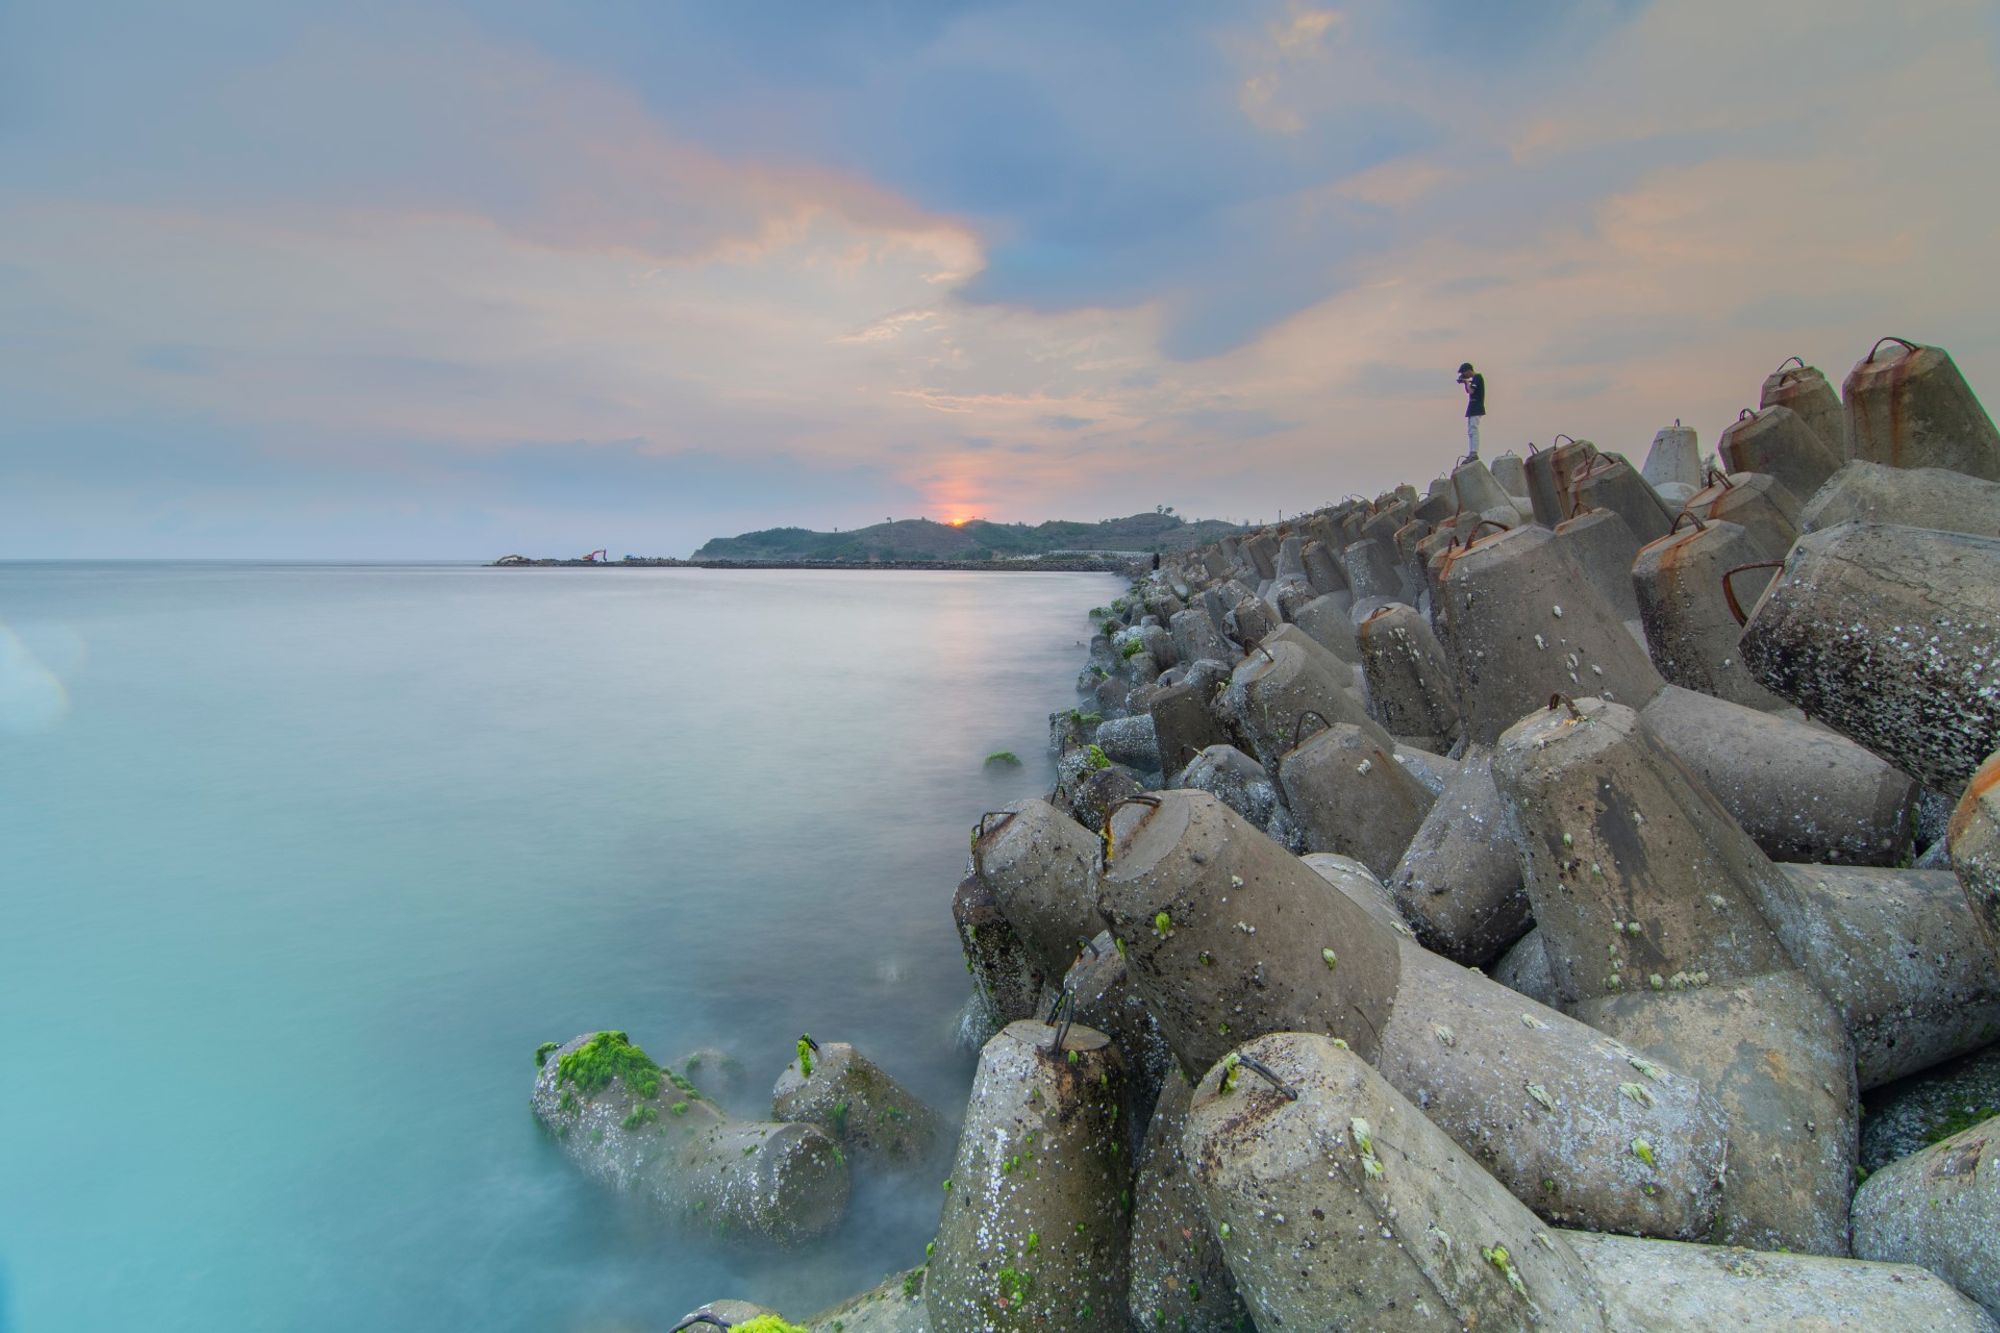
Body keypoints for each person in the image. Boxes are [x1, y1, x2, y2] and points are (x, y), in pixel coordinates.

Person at [1456, 362, 1486, 461]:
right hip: (1472, 407)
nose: (1464, 375)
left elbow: (1471, 391)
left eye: (1464, 373)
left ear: (1469, 370)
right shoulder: (1474, 380)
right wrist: (1466, 383)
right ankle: (1472, 451)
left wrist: (1466, 382)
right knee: (1470, 431)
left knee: (1473, 429)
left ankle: (1474, 452)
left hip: (1476, 406)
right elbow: (1468, 391)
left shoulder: (1477, 377)